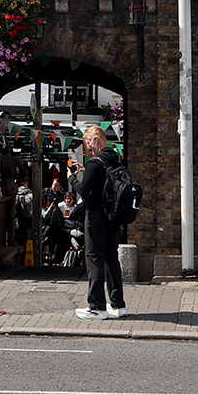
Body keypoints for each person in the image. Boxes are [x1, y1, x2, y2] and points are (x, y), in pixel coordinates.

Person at [69, 124, 127, 320]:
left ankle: (97, 307)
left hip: (96, 216)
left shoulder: (96, 163)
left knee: (94, 257)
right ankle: (118, 305)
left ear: (96, 140)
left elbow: (84, 190)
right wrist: (86, 170)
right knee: (111, 258)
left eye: (88, 143)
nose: (88, 148)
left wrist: (72, 179)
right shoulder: (115, 160)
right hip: (113, 217)